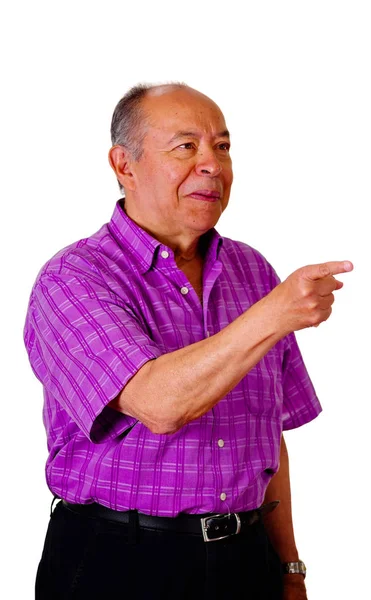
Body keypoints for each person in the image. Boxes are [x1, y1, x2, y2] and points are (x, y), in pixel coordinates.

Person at [24, 82, 353, 600]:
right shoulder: (73, 278)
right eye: (186, 147)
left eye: (222, 147)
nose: (212, 165)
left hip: (248, 558)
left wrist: (290, 568)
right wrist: (273, 314)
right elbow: (159, 403)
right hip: (120, 562)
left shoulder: (253, 271)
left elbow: (268, 439)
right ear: (124, 165)